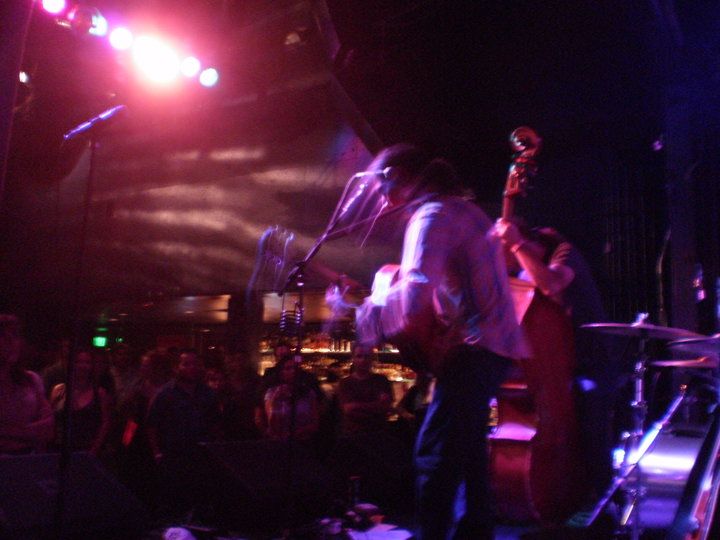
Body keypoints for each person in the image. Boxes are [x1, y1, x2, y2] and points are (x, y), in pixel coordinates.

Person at [355, 144, 528, 539]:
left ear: (398, 177)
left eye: (383, 186)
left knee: (434, 454)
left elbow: (417, 293)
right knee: (469, 456)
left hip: (477, 347)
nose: (382, 199)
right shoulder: (461, 209)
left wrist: (365, 310)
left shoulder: (432, 216)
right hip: (491, 346)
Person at [493, 218, 618, 504]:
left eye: (506, 255)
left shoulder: (564, 252)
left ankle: (607, 505)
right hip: (555, 369)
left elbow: (550, 285)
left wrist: (515, 243)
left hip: (592, 362)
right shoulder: (521, 273)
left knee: (592, 432)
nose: (505, 264)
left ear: (530, 244)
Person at [0, 314, 55, 454]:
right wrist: (29, 432)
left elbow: (48, 429)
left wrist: (7, 432)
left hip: (26, 460)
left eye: (15, 336)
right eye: (3, 336)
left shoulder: (31, 379)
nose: (11, 343)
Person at [50, 347, 112, 455]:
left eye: (87, 362)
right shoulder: (58, 390)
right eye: (78, 362)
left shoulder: (99, 393)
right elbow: (50, 419)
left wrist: (93, 450)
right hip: (59, 449)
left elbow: (105, 423)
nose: (82, 366)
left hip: (87, 449)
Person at [338, 345, 393, 435]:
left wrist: (356, 406)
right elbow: (348, 410)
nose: (363, 360)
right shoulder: (345, 383)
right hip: (354, 434)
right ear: (353, 359)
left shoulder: (382, 380)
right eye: (359, 356)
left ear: (372, 358)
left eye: (367, 356)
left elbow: (385, 407)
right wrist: (376, 405)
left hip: (378, 433)